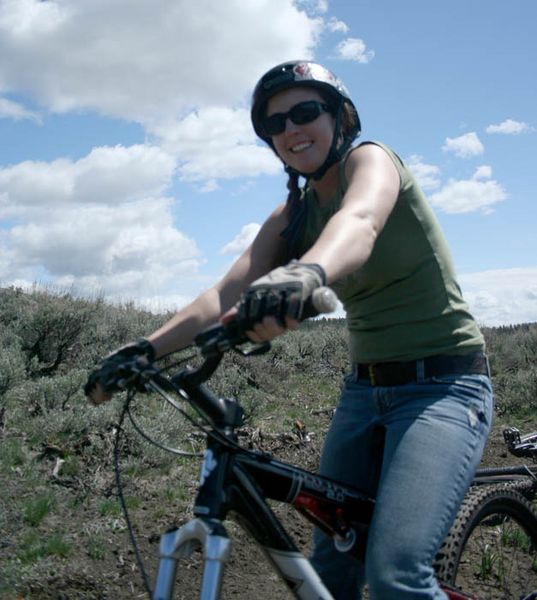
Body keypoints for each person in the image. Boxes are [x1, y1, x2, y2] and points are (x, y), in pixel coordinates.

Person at [86, 60, 494, 599]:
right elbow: (221, 294)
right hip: (364, 392)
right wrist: (144, 349)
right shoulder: (292, 215)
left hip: (444, 385)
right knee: (333, 564)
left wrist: (308, 271)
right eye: (274, 124)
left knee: (397, 574)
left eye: (305, 113)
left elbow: (361, 222)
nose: (290, 131)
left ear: (340, 117)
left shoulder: (371, 162)